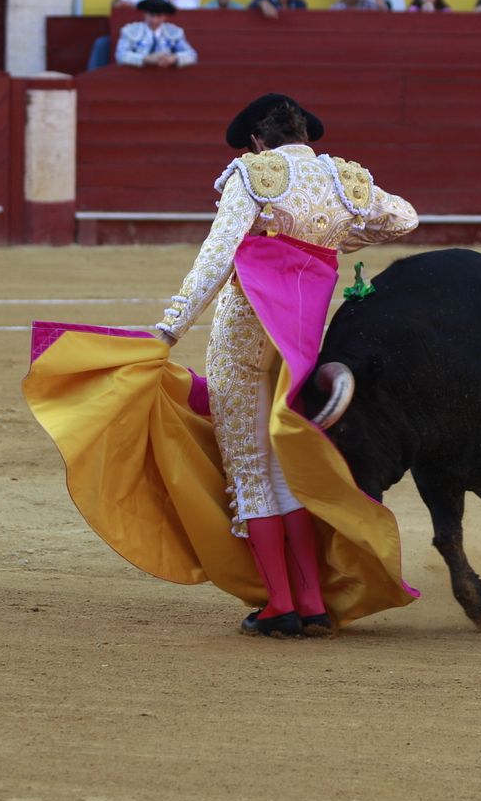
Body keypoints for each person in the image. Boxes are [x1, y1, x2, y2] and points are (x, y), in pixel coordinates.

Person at [139, 94, 418, 638]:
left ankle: (280, 605)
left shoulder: (255, 173)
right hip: (298, 339)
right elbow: (405, 218)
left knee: (250, 465)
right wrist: (337, 238)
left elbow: (218, 256)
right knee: (286, 460)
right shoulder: (345, 179)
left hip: (244, 332)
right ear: (305, 137)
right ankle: (311, 601)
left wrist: (170, 328)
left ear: (257, 141)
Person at [115, 0, 197, 68]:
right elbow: (120, 55)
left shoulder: (174, 32)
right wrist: (145, 59)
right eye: (151, 15)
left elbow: (192, 55)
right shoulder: (130, 31)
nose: (155, 20)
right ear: (145, 14)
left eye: (159, 16)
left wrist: (174, 58)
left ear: (165, 16)